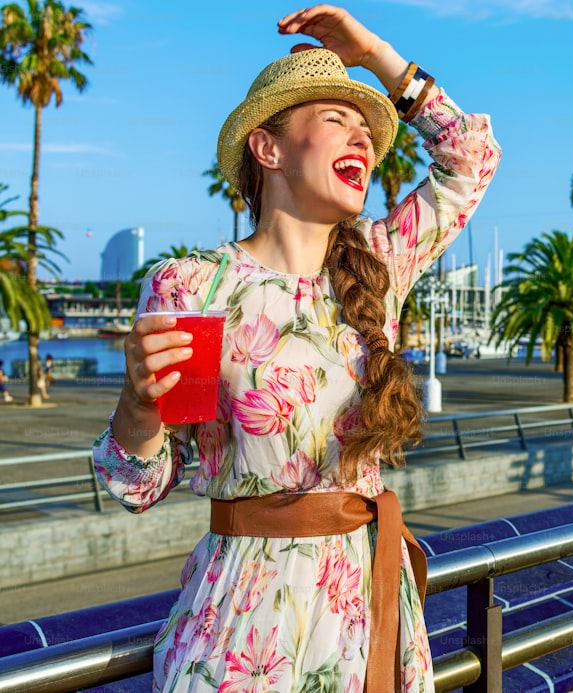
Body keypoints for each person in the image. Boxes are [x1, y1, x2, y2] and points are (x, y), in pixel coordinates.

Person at [91, 6, 500, 691]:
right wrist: (137, 404)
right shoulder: (191, 285)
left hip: (366, 611)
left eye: (368, 129)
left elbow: (471, 157)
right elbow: (137, 487)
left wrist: (372, 54)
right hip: (244, 621)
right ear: (268, 148)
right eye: (338, 119)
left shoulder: (378, 260)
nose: (364, 140)